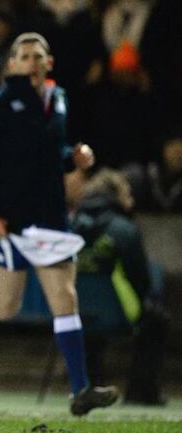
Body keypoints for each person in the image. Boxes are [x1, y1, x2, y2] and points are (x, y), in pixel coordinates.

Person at [0, 32, 119, 416]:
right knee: (5, 305)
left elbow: (47, 155)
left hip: (51, 219)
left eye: (37, 55)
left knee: (65, 298)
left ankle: (81, 391)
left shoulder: (56, 100)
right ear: (12, 65)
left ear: (49, 63)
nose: (31, 61)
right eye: (23, 55)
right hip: (11, 222)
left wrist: (71, 157)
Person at [71, 169, 167, 405]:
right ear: (115, 194)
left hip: (70, 312)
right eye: (128, 193)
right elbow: (140, 279)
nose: (131, 199)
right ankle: (141, 393)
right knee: (157, 319)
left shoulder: (69, 225)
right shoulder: (123, 229)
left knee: (88, 327)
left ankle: (87, 384)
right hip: (116, 314)